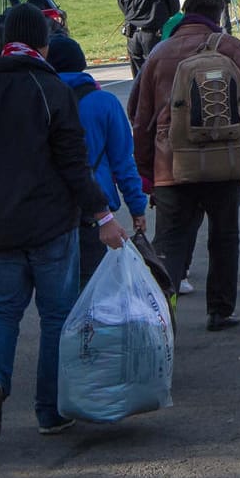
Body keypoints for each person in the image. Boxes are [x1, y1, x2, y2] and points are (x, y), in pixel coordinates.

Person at [0, 4, 123, 441]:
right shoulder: (51, 89)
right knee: (56, 318)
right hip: (51, 225)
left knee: (0, 311)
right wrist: (104, 217)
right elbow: (75, 165)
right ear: (44, 43)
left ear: (3, 41)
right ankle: (49, 412)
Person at [129, 0, 240, 333]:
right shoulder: (231, 49)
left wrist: (146, 173)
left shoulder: (159, 54)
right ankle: (219, 311)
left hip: (171, 164)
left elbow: (139, 116)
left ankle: (162, 313)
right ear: (218, 15)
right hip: (224, 160)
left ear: (184, 14)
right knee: (224, 236)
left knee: (170, 243)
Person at [48, 34, 150, 290]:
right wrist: (137, 207)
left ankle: (59, 328)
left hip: (46, 207)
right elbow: (123, 162)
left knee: (54, 290)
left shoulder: (38, 99)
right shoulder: (103, 102)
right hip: (94, 209)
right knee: (91, 286)